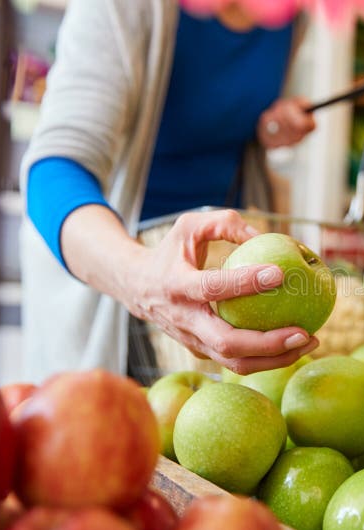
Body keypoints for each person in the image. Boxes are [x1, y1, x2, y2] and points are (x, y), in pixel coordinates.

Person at [20, 0, 320, 383]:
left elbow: (216, 119)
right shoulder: (126, 8)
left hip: (219, 282)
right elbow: (52, 173)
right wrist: (142, 276)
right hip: (116, 271)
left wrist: (265, 130)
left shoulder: (294, 17)